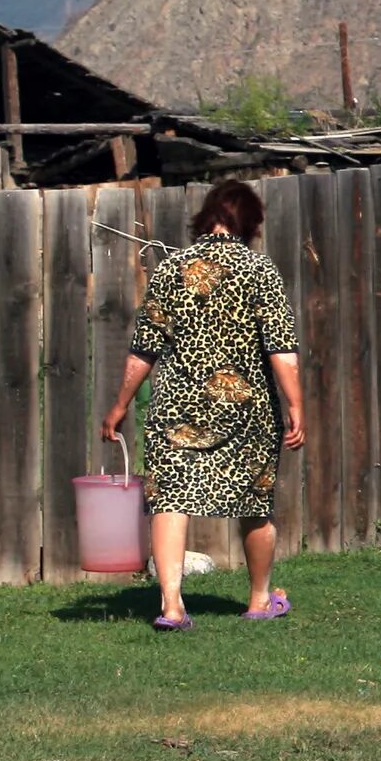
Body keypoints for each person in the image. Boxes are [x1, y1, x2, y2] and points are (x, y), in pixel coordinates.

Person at [102, 180, 305, 628]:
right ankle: (257, 600)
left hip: (176, 409)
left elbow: (143, 349)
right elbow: (281, 349)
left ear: (205, 217)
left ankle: (172, 607)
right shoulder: (259, 270)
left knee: (170, 501)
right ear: (250, 222)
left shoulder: (171, 268)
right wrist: (296, 406)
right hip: (246, 408)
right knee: (254, 502)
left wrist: (119, 406)